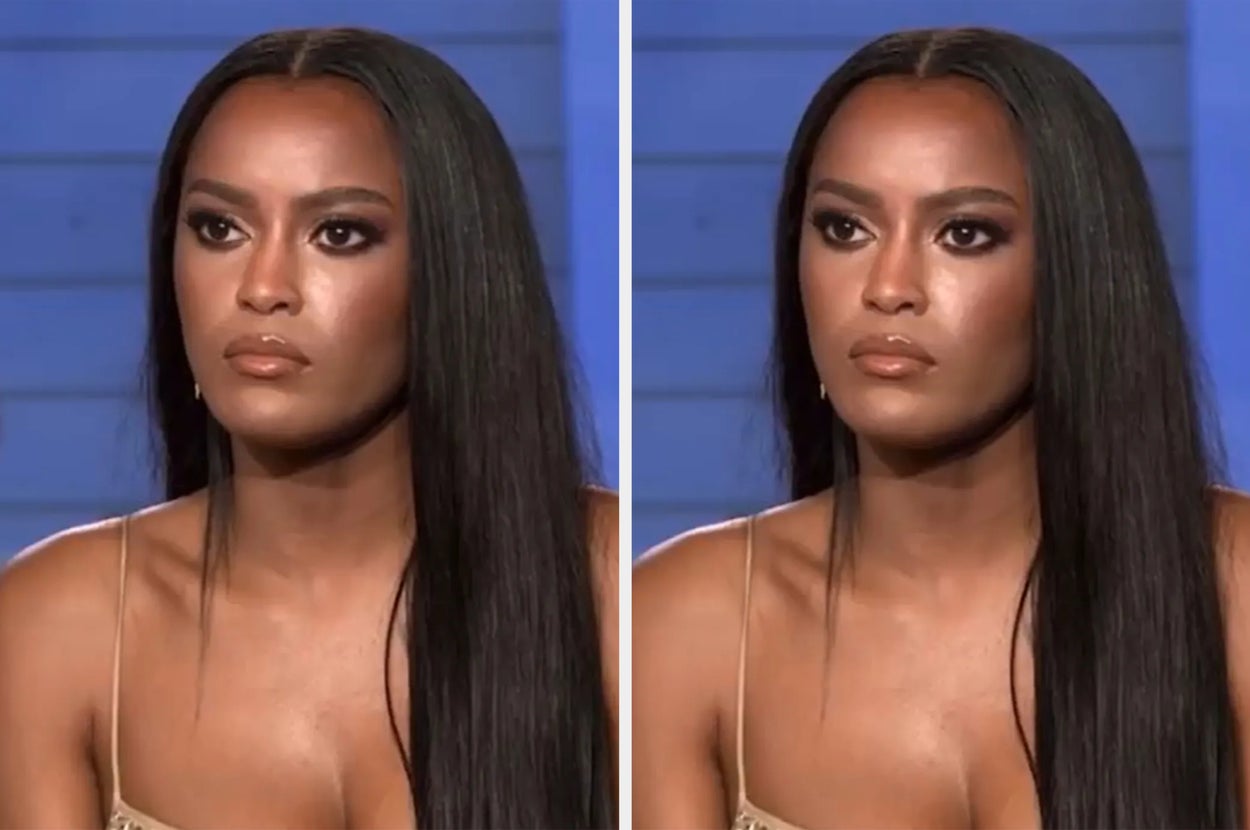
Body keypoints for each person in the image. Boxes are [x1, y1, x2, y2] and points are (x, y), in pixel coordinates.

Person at [633, 26, 1250, 830]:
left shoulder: (1229, 586)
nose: (888, 287)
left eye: (964, 234)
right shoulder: (687, 622)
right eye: (844, 228)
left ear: (1078, 273)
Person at [0, 27, 617, 830]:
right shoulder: (62, 625)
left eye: (339, 234)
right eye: (219, 228)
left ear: (454, 273)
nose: (262, 288)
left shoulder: (609, 592)